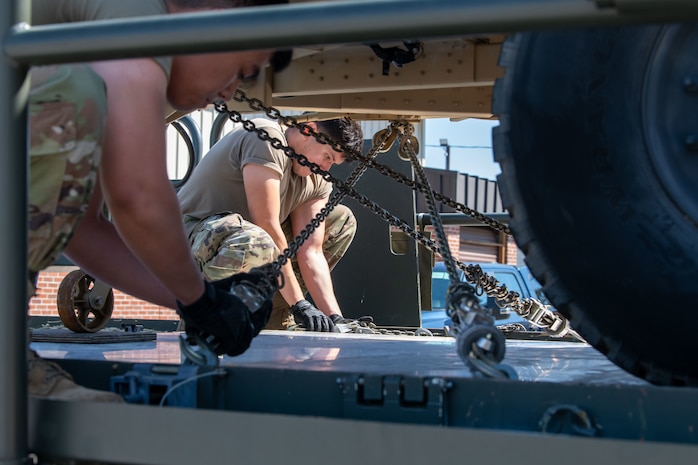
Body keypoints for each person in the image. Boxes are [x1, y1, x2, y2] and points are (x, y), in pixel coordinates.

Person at [27, 0, 292, 401]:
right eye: (242, 71)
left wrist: (197, 301)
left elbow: (82, 228)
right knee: (73, 95)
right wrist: (202, 300)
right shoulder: (137, 14)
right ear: (221, 18)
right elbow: (137, 193)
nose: (230, 91)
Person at [177, 116, 364, 332]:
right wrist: (300, 303)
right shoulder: (266, 136)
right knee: (256, 240)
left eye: (332, 163)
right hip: (188, 241)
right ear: (308, 130)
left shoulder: (317, 181)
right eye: (327, 156)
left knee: (340, 220)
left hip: (248, 245)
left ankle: (274, 317)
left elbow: (310, 252)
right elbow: (266, 224)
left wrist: (334, 317)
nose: (325, 167)